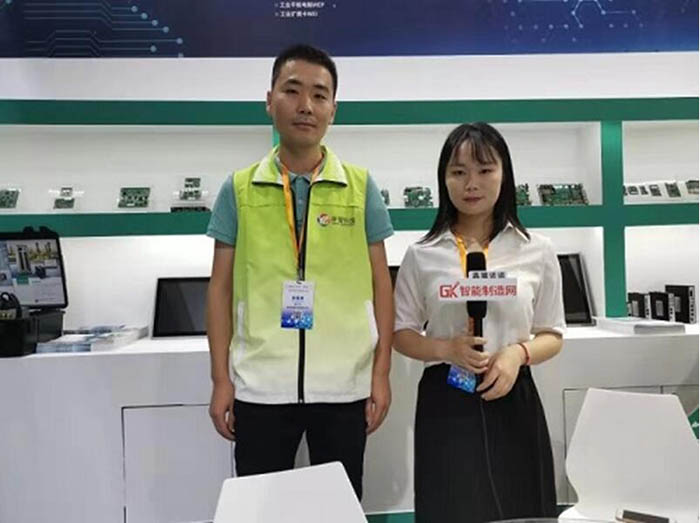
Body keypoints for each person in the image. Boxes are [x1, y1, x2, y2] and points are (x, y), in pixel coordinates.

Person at [205, 44, 394, 499]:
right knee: (260, 508)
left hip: (344, 386)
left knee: (337, 507)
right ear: (269, 101)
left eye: (319, 95)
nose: (305, 105)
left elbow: (382, 286)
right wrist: (220, 380)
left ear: (333, 109)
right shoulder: (239, 188)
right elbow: (220, 290)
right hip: (261, 387)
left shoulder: (361, 187)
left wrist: (381, 374)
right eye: (292, 91)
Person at [393, 122, 565, 522]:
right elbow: (401, 333)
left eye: (485, 170)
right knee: (450, 505)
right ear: (444, 179)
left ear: (504, 175)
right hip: (446, 396)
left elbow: (553, 333)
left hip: (512, 390)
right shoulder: (422, 254)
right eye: (458, 172)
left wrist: (517, 354)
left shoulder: (537, 250)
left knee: (521, 503)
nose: (471, 183)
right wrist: (445, 348)